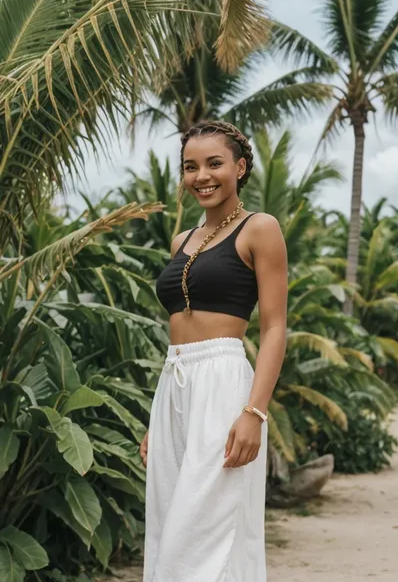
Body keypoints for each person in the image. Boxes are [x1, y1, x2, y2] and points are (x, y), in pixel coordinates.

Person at [140, 120, 288, 582]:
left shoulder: (259, 228)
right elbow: (176, 337)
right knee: (169, 525)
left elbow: (274, 327)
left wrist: (254, 413)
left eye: (214, 164)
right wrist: (156, 422)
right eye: (190, 166)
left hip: (223, 383)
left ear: (240, 168)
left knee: (207, 529)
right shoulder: (180, 240)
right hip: (175, 385)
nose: (201, 175)